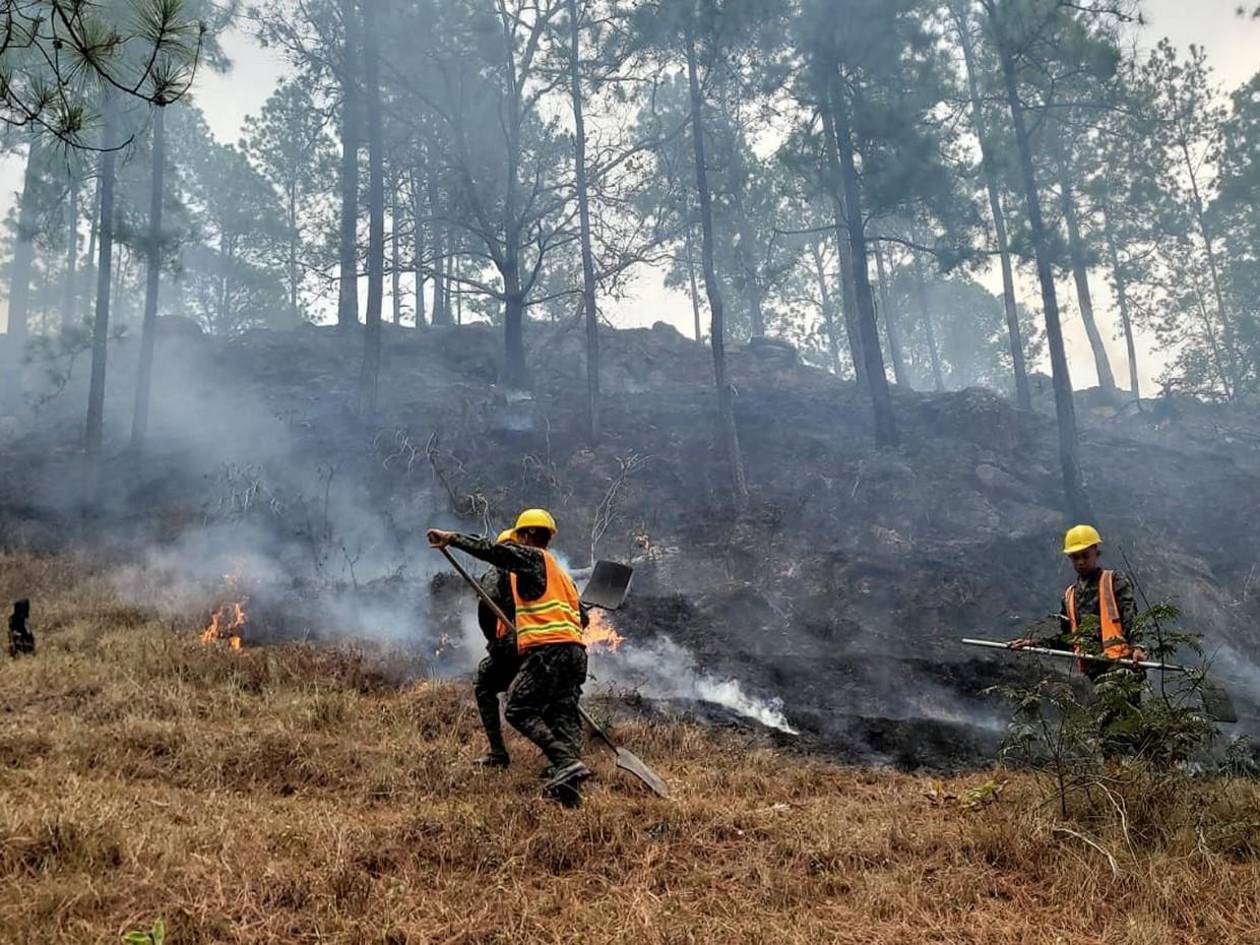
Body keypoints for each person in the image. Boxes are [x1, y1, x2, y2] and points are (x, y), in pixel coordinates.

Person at [429, 509, 591, 799]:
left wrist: (452, 538)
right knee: (562, 709)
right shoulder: (561, 574)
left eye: (518, 540)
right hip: (575, 652)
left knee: (518, 708)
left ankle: (565, 761)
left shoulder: (530, 558)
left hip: (547, 650)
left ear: (527, 535)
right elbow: (584, 619)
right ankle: (568, 787)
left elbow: (492, 553)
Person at [1009, 524, 1146, 679]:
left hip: (1121, 666)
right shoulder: (1070, 596)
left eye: (1085, 555)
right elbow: (1067, 639)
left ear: (1096, 552)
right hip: (1091, 672)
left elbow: (1131, 618)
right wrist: (1034, 643)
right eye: (1076, 557)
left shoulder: (1114, 581)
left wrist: (1138, 647)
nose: (1080, 561)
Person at [472, 530, 520, 769]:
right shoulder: (544, 569)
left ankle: (498, 752)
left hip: (514, 647)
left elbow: (486, 604)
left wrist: (493, 640)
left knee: (485, 686)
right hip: (549, 647)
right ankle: (564, 758)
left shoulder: (498, 571)